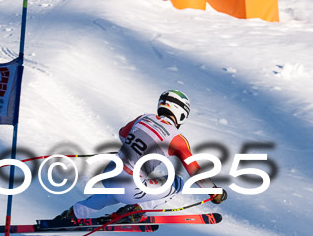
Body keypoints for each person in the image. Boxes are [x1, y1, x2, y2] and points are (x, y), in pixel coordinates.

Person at [55, 90, 227, 223]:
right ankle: (136, 211)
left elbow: (123, 134)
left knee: (114, 193)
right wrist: (214, 192)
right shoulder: (178, 139)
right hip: (131, 184)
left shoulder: (144, 117)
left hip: (109, 174)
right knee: (176, 181)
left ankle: (76, 212)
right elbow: (195, 172)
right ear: (182, 113)